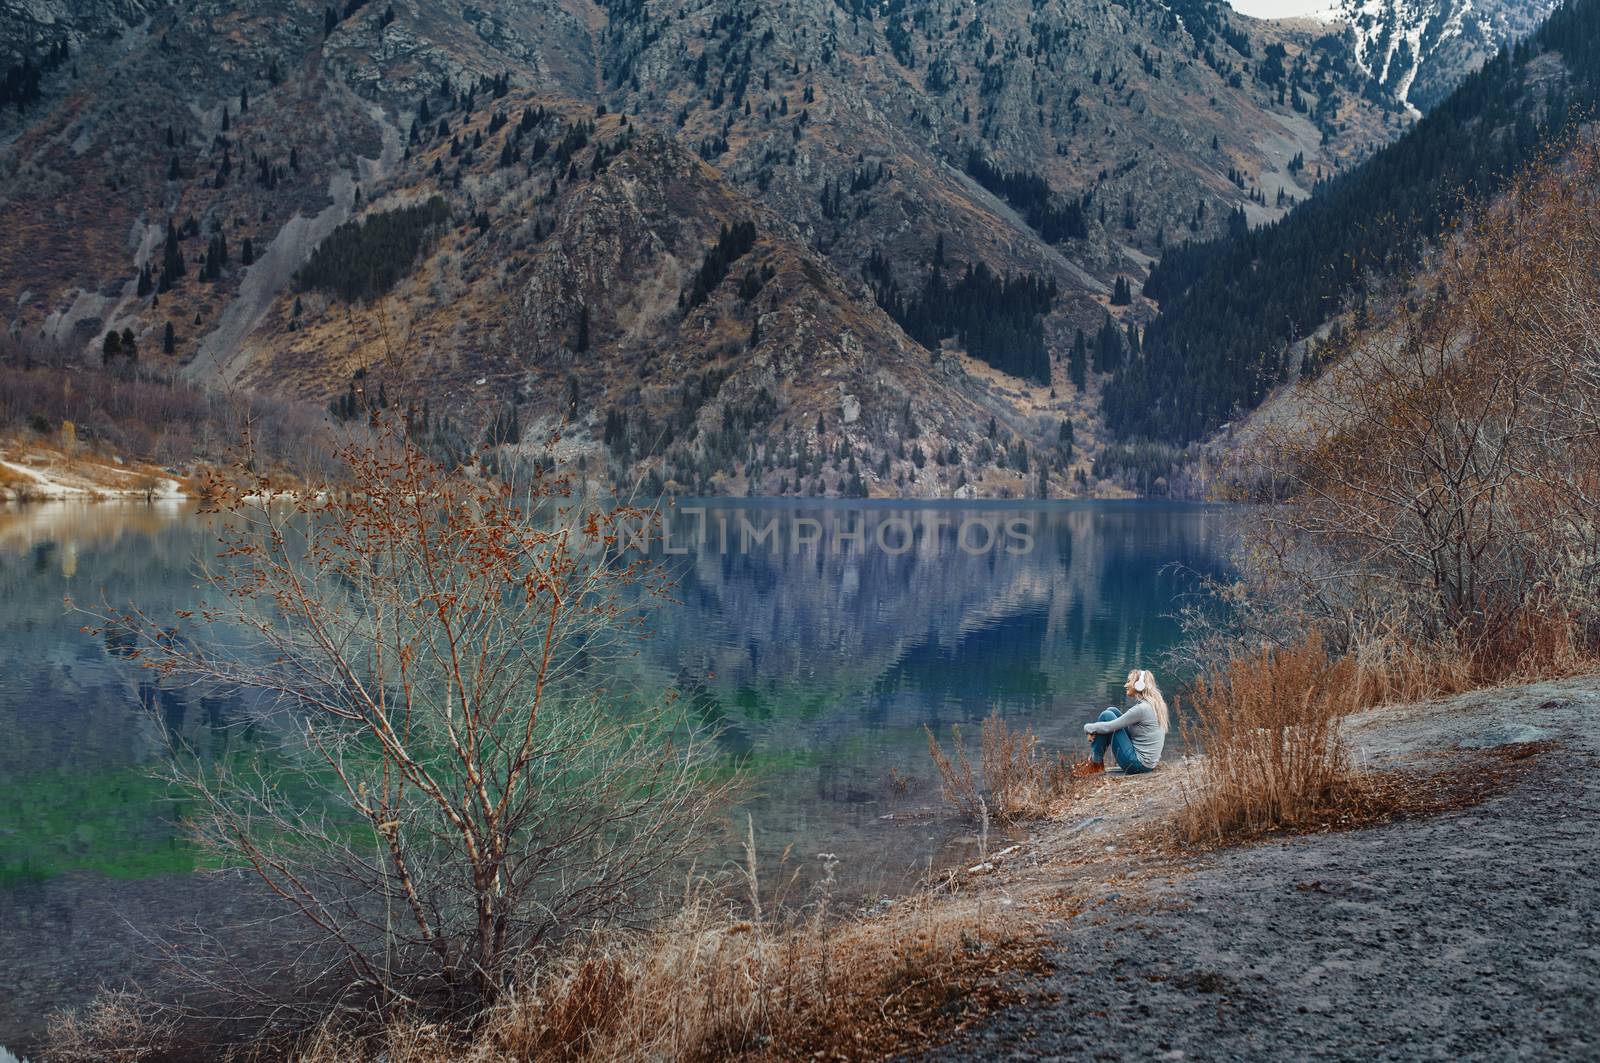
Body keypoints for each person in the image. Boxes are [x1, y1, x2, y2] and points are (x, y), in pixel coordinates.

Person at [1078, 668, 1169, 775]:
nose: (1125, 685)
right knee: (1112, 711)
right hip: (1146, 764)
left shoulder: (1142, 709)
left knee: (1107, 715)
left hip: (1137, 765)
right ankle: (1095, 763)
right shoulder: (1152, 704)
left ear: (1139, 685)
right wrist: (1095, 729)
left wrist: (1088, 728)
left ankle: (1095, 763)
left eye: (1129, 681)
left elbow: (1109, 727)